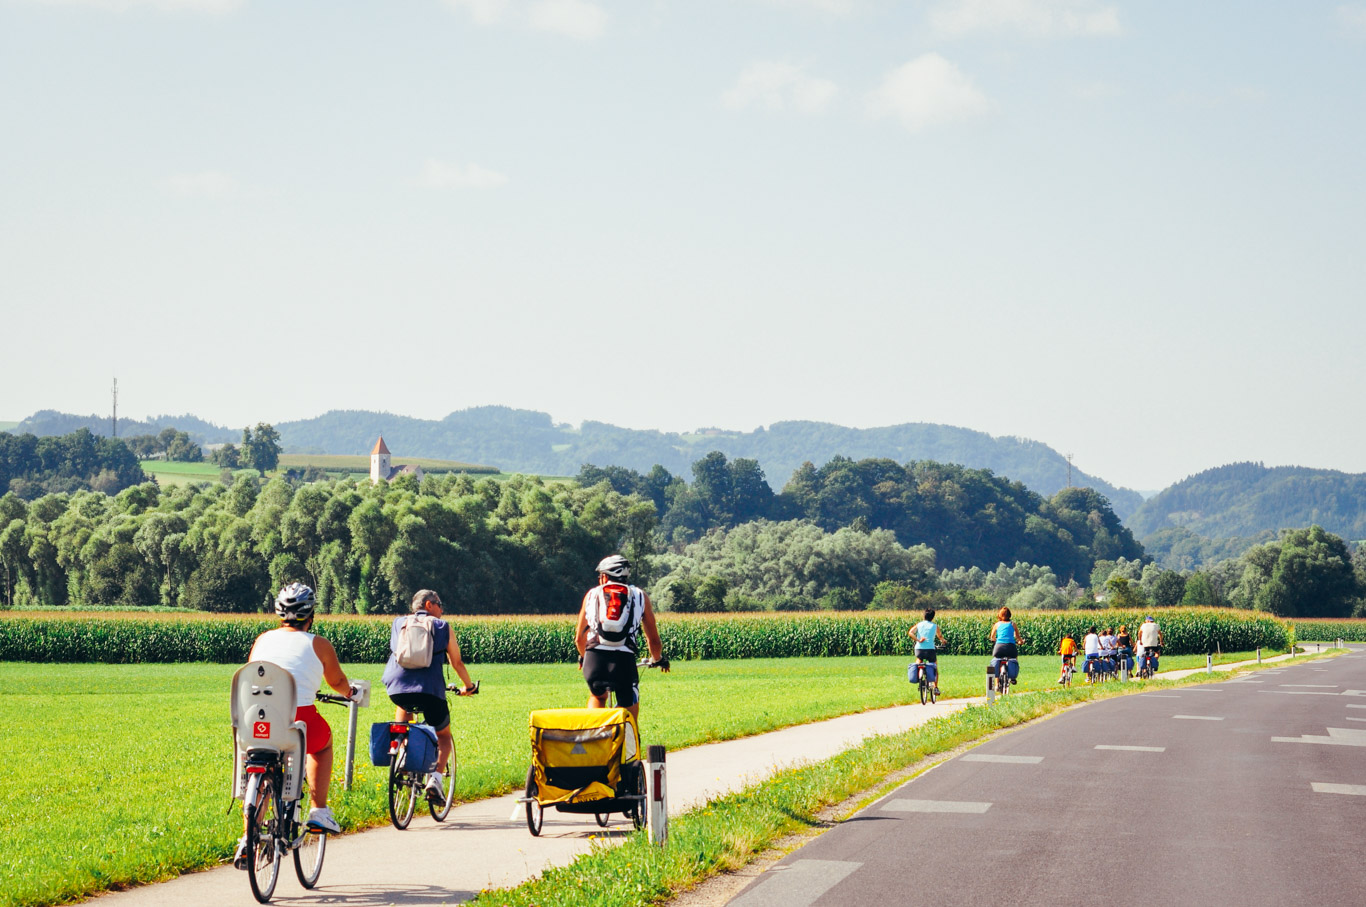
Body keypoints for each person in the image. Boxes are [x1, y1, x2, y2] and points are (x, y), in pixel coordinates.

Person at [236, 582, 354, 867]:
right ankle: (318, 810)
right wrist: (349, 692)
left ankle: (247, 837)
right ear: (310, 615)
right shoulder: (318, 644)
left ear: (280, 614)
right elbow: (337, 682)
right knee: (323, 745)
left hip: (255, 722)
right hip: (297, 723)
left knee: (262, 765)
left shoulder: (262, 640)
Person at [381, 589, 476, 802]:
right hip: (431, 691)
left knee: (404, 717)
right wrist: (468, 686)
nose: (442, 609)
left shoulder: (398, 623)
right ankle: (435, 779)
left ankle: (403, 753)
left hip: (397, 688)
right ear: (428, 605)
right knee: (443, 737)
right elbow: (456, 662)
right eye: (439, 603)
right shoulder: (442, 627)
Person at [575, 554, 667, 720]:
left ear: (604, 577)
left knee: (597, 696)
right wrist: (658, 659)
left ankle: (594, 738)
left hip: (595, 658)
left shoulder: (591, 595)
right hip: (624, 660)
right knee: (629, 702)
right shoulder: (640, 596)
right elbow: (653, 639)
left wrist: (584, 657)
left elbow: (579, 638)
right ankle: (629, 741)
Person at [909, 608, 947, 695]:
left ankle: (919, 677)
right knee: (934, 667)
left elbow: (910, 632)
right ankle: (936, 687)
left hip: (919, 649)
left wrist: (918, 640)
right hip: (930, 650)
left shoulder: (919, 625)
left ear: (924, 615)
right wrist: (943, 641)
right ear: (932, 617)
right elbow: (940, 636)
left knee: (918, 661)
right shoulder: (935, 626)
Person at [988, 607, 1021, 684]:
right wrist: (1020, 641)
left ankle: (996, 684)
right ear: (1009, 615)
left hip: (999, 647)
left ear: (1000, 615)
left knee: (996, 659)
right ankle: (1013, 677)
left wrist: (995, 640)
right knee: (1014, 658)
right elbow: (1017, 637)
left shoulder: (997, 624)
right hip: (1010, 647)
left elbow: (992, 637)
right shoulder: (1013, 624)